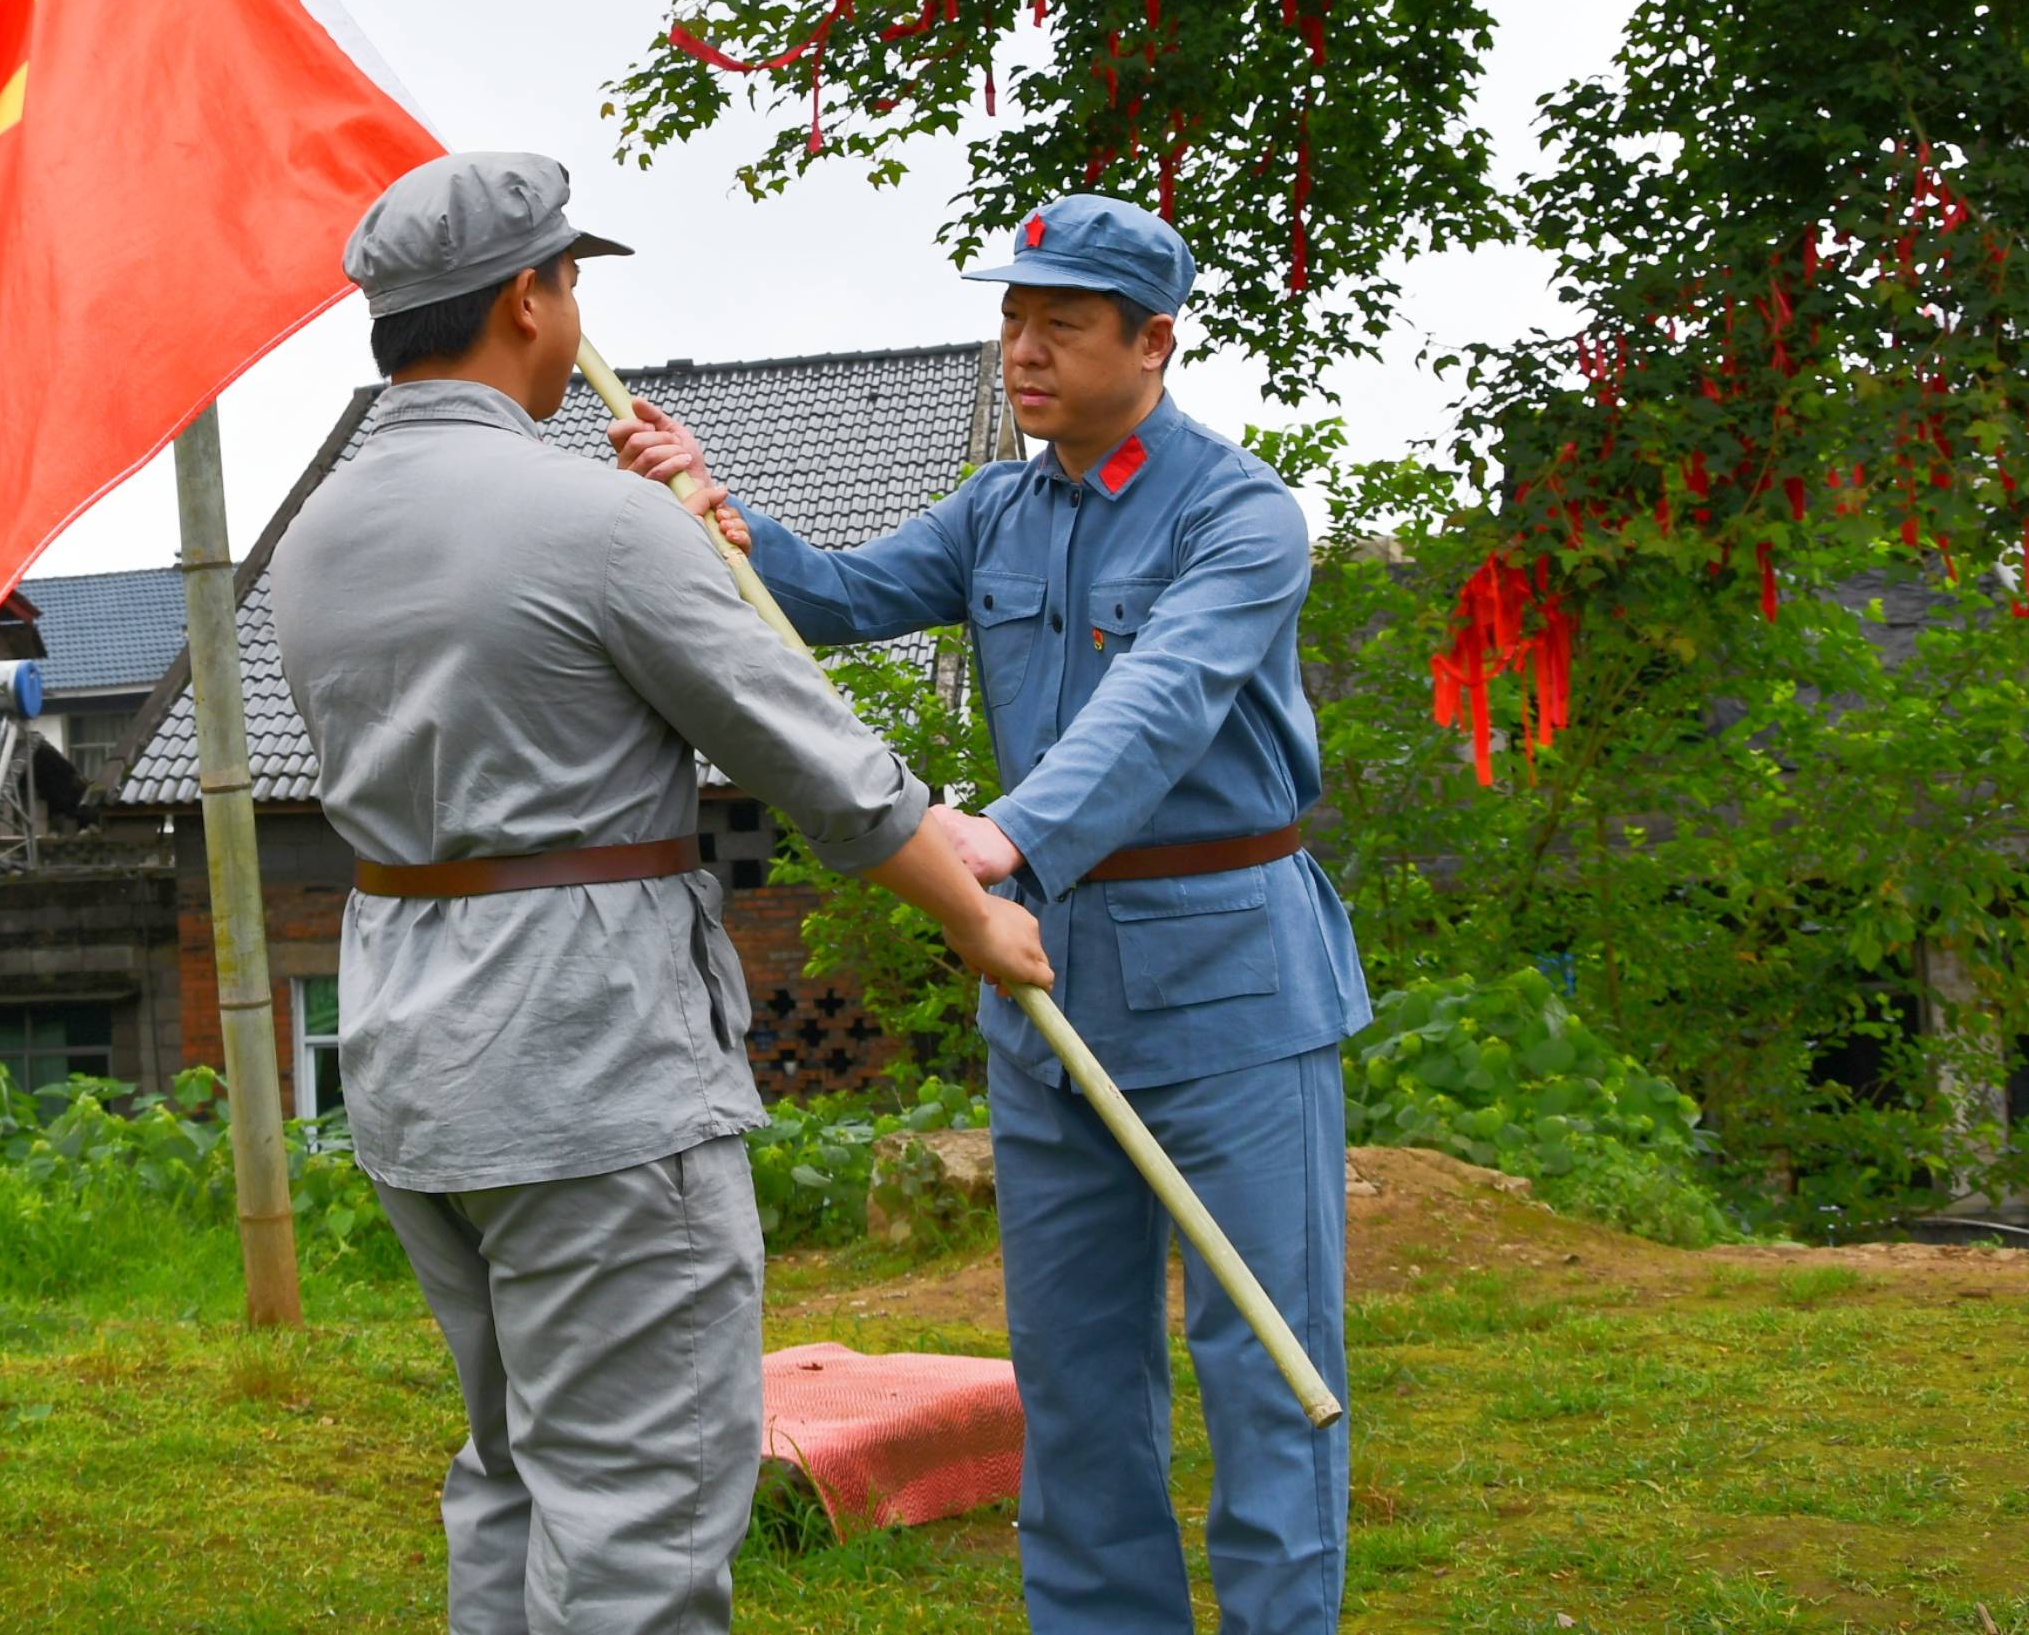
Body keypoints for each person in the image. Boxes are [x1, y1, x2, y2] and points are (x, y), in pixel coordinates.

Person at [270, 151, 1052, 1635]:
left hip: (411, 1058)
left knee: (510, 1465)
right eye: (567, 284)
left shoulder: (314, 539)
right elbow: (820, 762)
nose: (575, 322)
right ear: (525, 298)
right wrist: (970, 915)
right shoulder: (597, 524)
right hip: (588, 1060)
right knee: (638, 1503)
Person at [611, 196, 1371, 1634]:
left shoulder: (1240, 514)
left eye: (1060, 324)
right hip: (1044, 980)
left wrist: (1002, 835)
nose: (1022, 348)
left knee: (1266, 1361)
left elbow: (1162, 707)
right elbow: (831, 599)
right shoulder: (999, 509)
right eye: (1012, 317)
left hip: (1228, 974)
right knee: (1074, 1370)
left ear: (1152, 342)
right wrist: (712, 513)